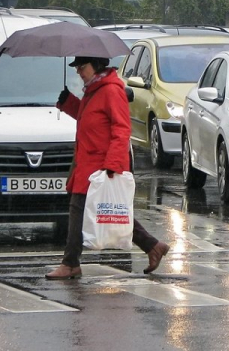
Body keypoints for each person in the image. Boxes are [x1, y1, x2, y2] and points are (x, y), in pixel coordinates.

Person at [46, 56, 170, 280]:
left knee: (83, 209)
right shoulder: (93, 89)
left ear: (96, 66)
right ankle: (153, 246)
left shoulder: (111, 90)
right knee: (108, 211)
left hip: (100, 166)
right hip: (88, 164)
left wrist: (112, 165)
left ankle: (70, 263)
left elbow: (122, 128)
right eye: (77, 68)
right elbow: (90, 119)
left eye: (82, 67)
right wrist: (68, 102)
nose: (78, 72)